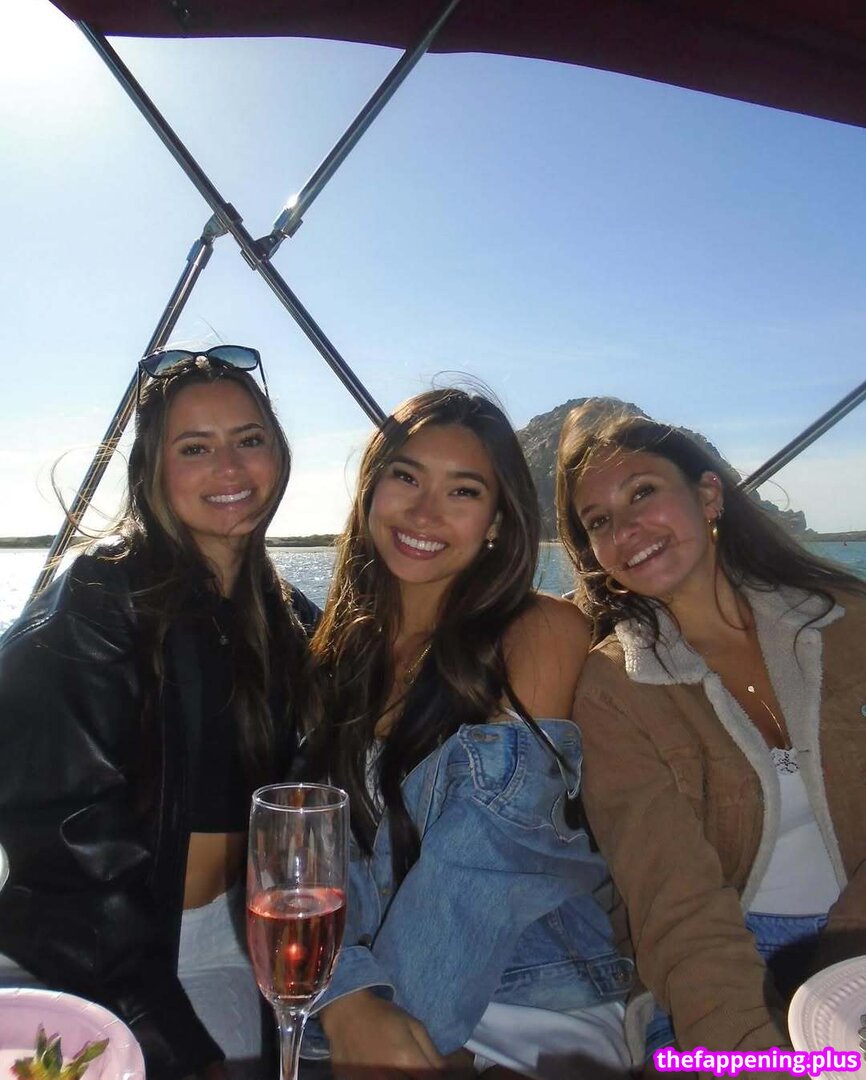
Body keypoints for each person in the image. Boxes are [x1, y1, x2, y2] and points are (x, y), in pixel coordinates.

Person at [0, 349, 319, 1080]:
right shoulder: (103, 601)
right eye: (195, 448)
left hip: (245, 938)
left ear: (278, 452)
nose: (229, 467)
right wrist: (161, 1029)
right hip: (111, 950)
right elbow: (70, 844)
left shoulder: (289, 618)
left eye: (249, 439)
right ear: (152, 471)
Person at [301, 388, 634, 1080]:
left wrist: (382, 1031)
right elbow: (314, 861)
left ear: (497, 521)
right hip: (363, 1001)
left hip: (531, 996)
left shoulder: (538, 631)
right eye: (406, 477)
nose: (425, 512)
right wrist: (347, 1000)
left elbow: (483, 864)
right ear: (371, 491)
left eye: (463, 491)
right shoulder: (337, 655)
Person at [556, 399, 866, 1066]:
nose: (626, 529)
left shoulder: (847, 622)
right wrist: (758, 1056)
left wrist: (851, 938)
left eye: (643, 492)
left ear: (708, 497)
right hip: (725, 965)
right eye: (599, 521)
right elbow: (677, 906)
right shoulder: (614, 689)